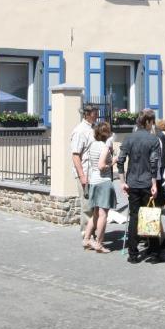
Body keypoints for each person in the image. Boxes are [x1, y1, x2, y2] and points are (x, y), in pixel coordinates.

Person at [117, 112, 161, 263]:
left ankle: (133, 254)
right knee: (150, 216)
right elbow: (154, 163)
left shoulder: (129, 138)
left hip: (133, 182)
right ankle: (154, 253)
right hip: (147, 182)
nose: (153, 124)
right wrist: (154, 183)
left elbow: (120, 160)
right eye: (152, 122)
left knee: (134, 217)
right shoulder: (153, 139)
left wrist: (122, 181)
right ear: (148, 122)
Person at [82, 121, 116, 253]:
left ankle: (86, 239)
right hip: (103, 181)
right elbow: (101, 166)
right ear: (106, 133)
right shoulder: (104, 146)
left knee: (95, 213)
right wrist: (112, 162)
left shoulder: (93, 145)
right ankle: (99, 243)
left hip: (94, 181)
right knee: (103, 215)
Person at [71, 104, 98, 243]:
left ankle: (92, 232)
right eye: (95, 113)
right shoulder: (80, 131)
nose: (97, 115)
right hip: (85, 173)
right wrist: (82, 176)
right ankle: (86, 235)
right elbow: (76, 155)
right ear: (87, 114)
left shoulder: (93, 129)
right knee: (87, 205)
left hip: (94, 173)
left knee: (94, 204)